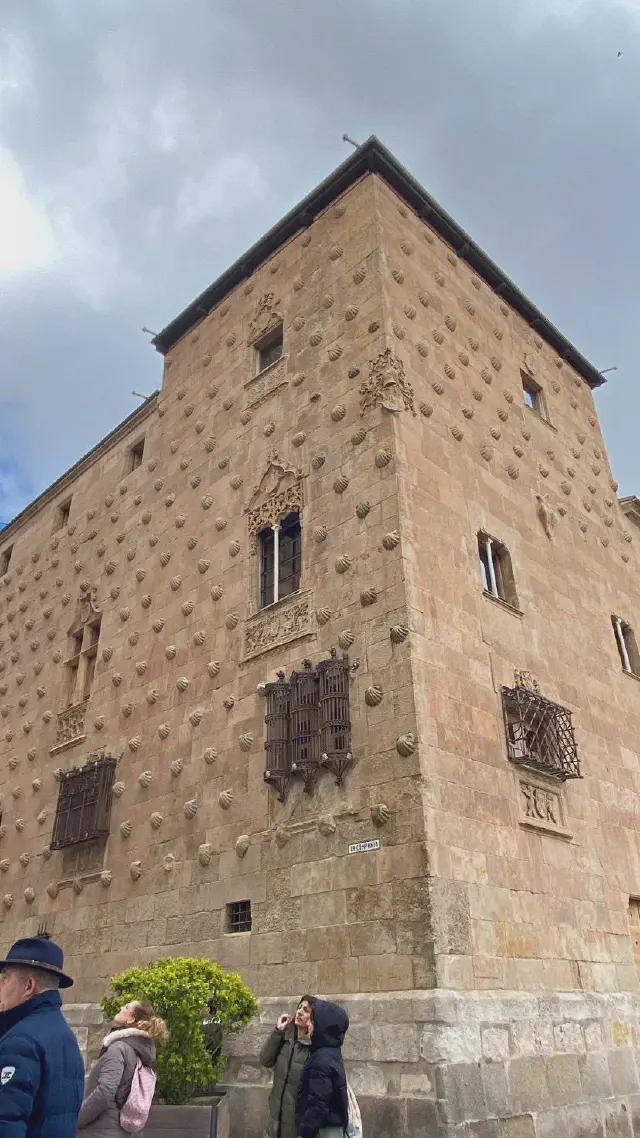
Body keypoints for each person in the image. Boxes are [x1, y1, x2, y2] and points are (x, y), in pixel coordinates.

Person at [0, 933, 85, 1138]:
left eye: (4, 979)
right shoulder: (66, 1035)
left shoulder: (20, 1041)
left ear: (28, 986)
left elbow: (6, 1123)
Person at [77, 1000, 168, 1138]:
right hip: (120, 1130)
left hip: (100, 1130)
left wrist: (77, 1119)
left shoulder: (119, 1049)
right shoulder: (139, 1051)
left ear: (131, 1019)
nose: (121, 1007)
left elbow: (105, 1091)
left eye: (126, 1007)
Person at [260, 996, 314, 1138]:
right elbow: (265, 1060)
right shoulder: (286, 1040)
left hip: (295, 1128)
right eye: (299, 1007)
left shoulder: (313, 1049)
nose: (300, 1012)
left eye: (306, 1010)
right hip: (274, 1122)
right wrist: (278, 1030)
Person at [295, 999, 349, 1138]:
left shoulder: (321, 1059)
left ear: (322, 1026)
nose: (309, 1025)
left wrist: (304, 1132)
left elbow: (318, 1105)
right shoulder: (332, 1051)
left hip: (323, 1130)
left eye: (312, 1021)